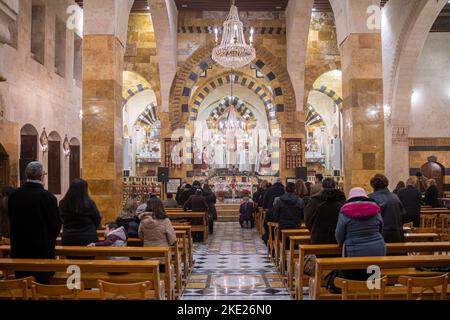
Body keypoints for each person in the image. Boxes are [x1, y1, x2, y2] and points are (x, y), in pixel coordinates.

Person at [8, 162, 61, 284]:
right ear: (42, 176)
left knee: (21, 284)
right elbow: (55, 225)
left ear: (27, 175)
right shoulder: (48, 197)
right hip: (42, 250)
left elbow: (11, 217)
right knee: (41, 285)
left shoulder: (14, 195)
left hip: (19, 248)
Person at [335, 187, 386, 280]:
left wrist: (341, 243)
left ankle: (357, 293)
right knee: (373, 279)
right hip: (377, 249)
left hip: (353, 250)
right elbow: (381, 227)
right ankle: (373, 293)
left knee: (355, 278)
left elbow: (339, 233)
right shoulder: (375, 207)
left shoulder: (345, 210)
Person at [59, 179, 101, 247]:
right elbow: (97, 219)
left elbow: (60, 219)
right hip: (88, 237)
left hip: (69, 237)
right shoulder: (90, 203)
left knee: (70, 257)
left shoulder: (63, 203)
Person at [138, 198, 177, 272]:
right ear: (160, 207)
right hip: (162, 256)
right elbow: (172, 239)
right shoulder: (165, 220)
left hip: (148, 255)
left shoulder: (143, 220)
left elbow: (140, 235)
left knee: (150, 273)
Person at [304, 178, 346, 244]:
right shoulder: (342, 201)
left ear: (322, 187)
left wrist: (314, 230)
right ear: (335, 186)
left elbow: (308, 220)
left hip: (318, 239)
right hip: (338, 240)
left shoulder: (314, 201)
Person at [369, 174, 405, 243]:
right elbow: (403, 216)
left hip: (380, 237)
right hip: (398, 236)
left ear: (373, 185)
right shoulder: (395, 197)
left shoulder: (371, 198)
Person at [262, 178, 285, 244]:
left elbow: (264, 204)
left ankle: (270, 240)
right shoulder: (284, 190)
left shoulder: (269, 190)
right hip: (282, 216)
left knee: (268, 227)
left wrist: (265, 208)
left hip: (271, 214)